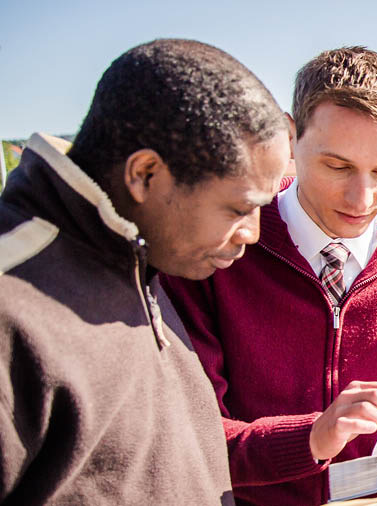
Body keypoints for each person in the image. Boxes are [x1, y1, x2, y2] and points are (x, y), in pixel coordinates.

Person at [160, 47, 377, 506]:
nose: (363, 197)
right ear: (289, 137)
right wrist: (312, 439)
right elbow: (187, 440)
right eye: (338, 166)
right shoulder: (215, 251)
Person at [0, 39, 292, 503]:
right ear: (145, 174)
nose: (252, 233)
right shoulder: (13, 301)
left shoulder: (147, 258)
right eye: (240, 207)